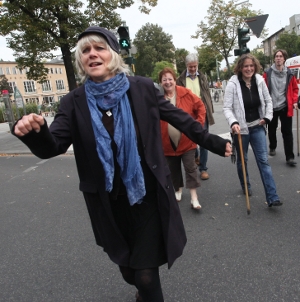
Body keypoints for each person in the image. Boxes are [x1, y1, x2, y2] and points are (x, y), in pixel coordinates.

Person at [12, 26, 232, 302]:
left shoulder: (141, 89)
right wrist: (36, 132)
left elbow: (180, 118)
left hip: (147, 195)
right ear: (81, 60)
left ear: (114, 55)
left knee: (146, 275)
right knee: (129, 272)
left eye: (99, 48)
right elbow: (53, 145)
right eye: (85, 50)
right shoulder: (73, 102)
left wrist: (211, 141)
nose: (92, 54)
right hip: (109, 202)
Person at [223, 53, 282, 207]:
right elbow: (227, 108)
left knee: (263, 161)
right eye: (245, 66)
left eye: (251, 66)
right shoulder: (232, 84)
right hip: (240, 129)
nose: (249, 69)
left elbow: (268, 101)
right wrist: (233, 122)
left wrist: (268, 117)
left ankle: (272, 196)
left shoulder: (260, 80)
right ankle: (246, 185)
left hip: (257, 126)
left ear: (255, 66)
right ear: (240, 68)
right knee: (243, 161)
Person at [159, 67, 206, 210]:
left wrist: (197, 125)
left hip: (187, 141)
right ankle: (177, 189)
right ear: (161, 83)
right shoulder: (158, 98)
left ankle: (194, 198)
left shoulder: (186, 93)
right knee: (173, 169)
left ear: (174, 80)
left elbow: (200, 107)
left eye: (170, 79)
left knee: (190, 168)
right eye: (164, 80)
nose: (167, 82)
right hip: (167, 143)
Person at [177, 53, 215, 181]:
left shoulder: (202, 77)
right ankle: (196, 156)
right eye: (190, 67)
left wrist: (209, 110)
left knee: (203, 140)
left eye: (195, 66)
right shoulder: (180, 79)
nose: (193, 69)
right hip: (187, 114)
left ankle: (203, 168)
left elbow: (207, 94)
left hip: (201, 112)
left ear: (197, 65)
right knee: (190, 140)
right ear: (186, 66)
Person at [263, 49, 299, 166]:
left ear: (284, 59)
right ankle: (272, 146)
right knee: (272, 129)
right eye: (277, 56)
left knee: (287, 132)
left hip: (285, 106)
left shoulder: (290, 74)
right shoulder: (268, 73)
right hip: (271, 107)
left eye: (280, 56)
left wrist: (294, 101)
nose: (278, 58)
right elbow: (262, 88)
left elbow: (294, 89)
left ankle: (290, 157)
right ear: (274, 59)